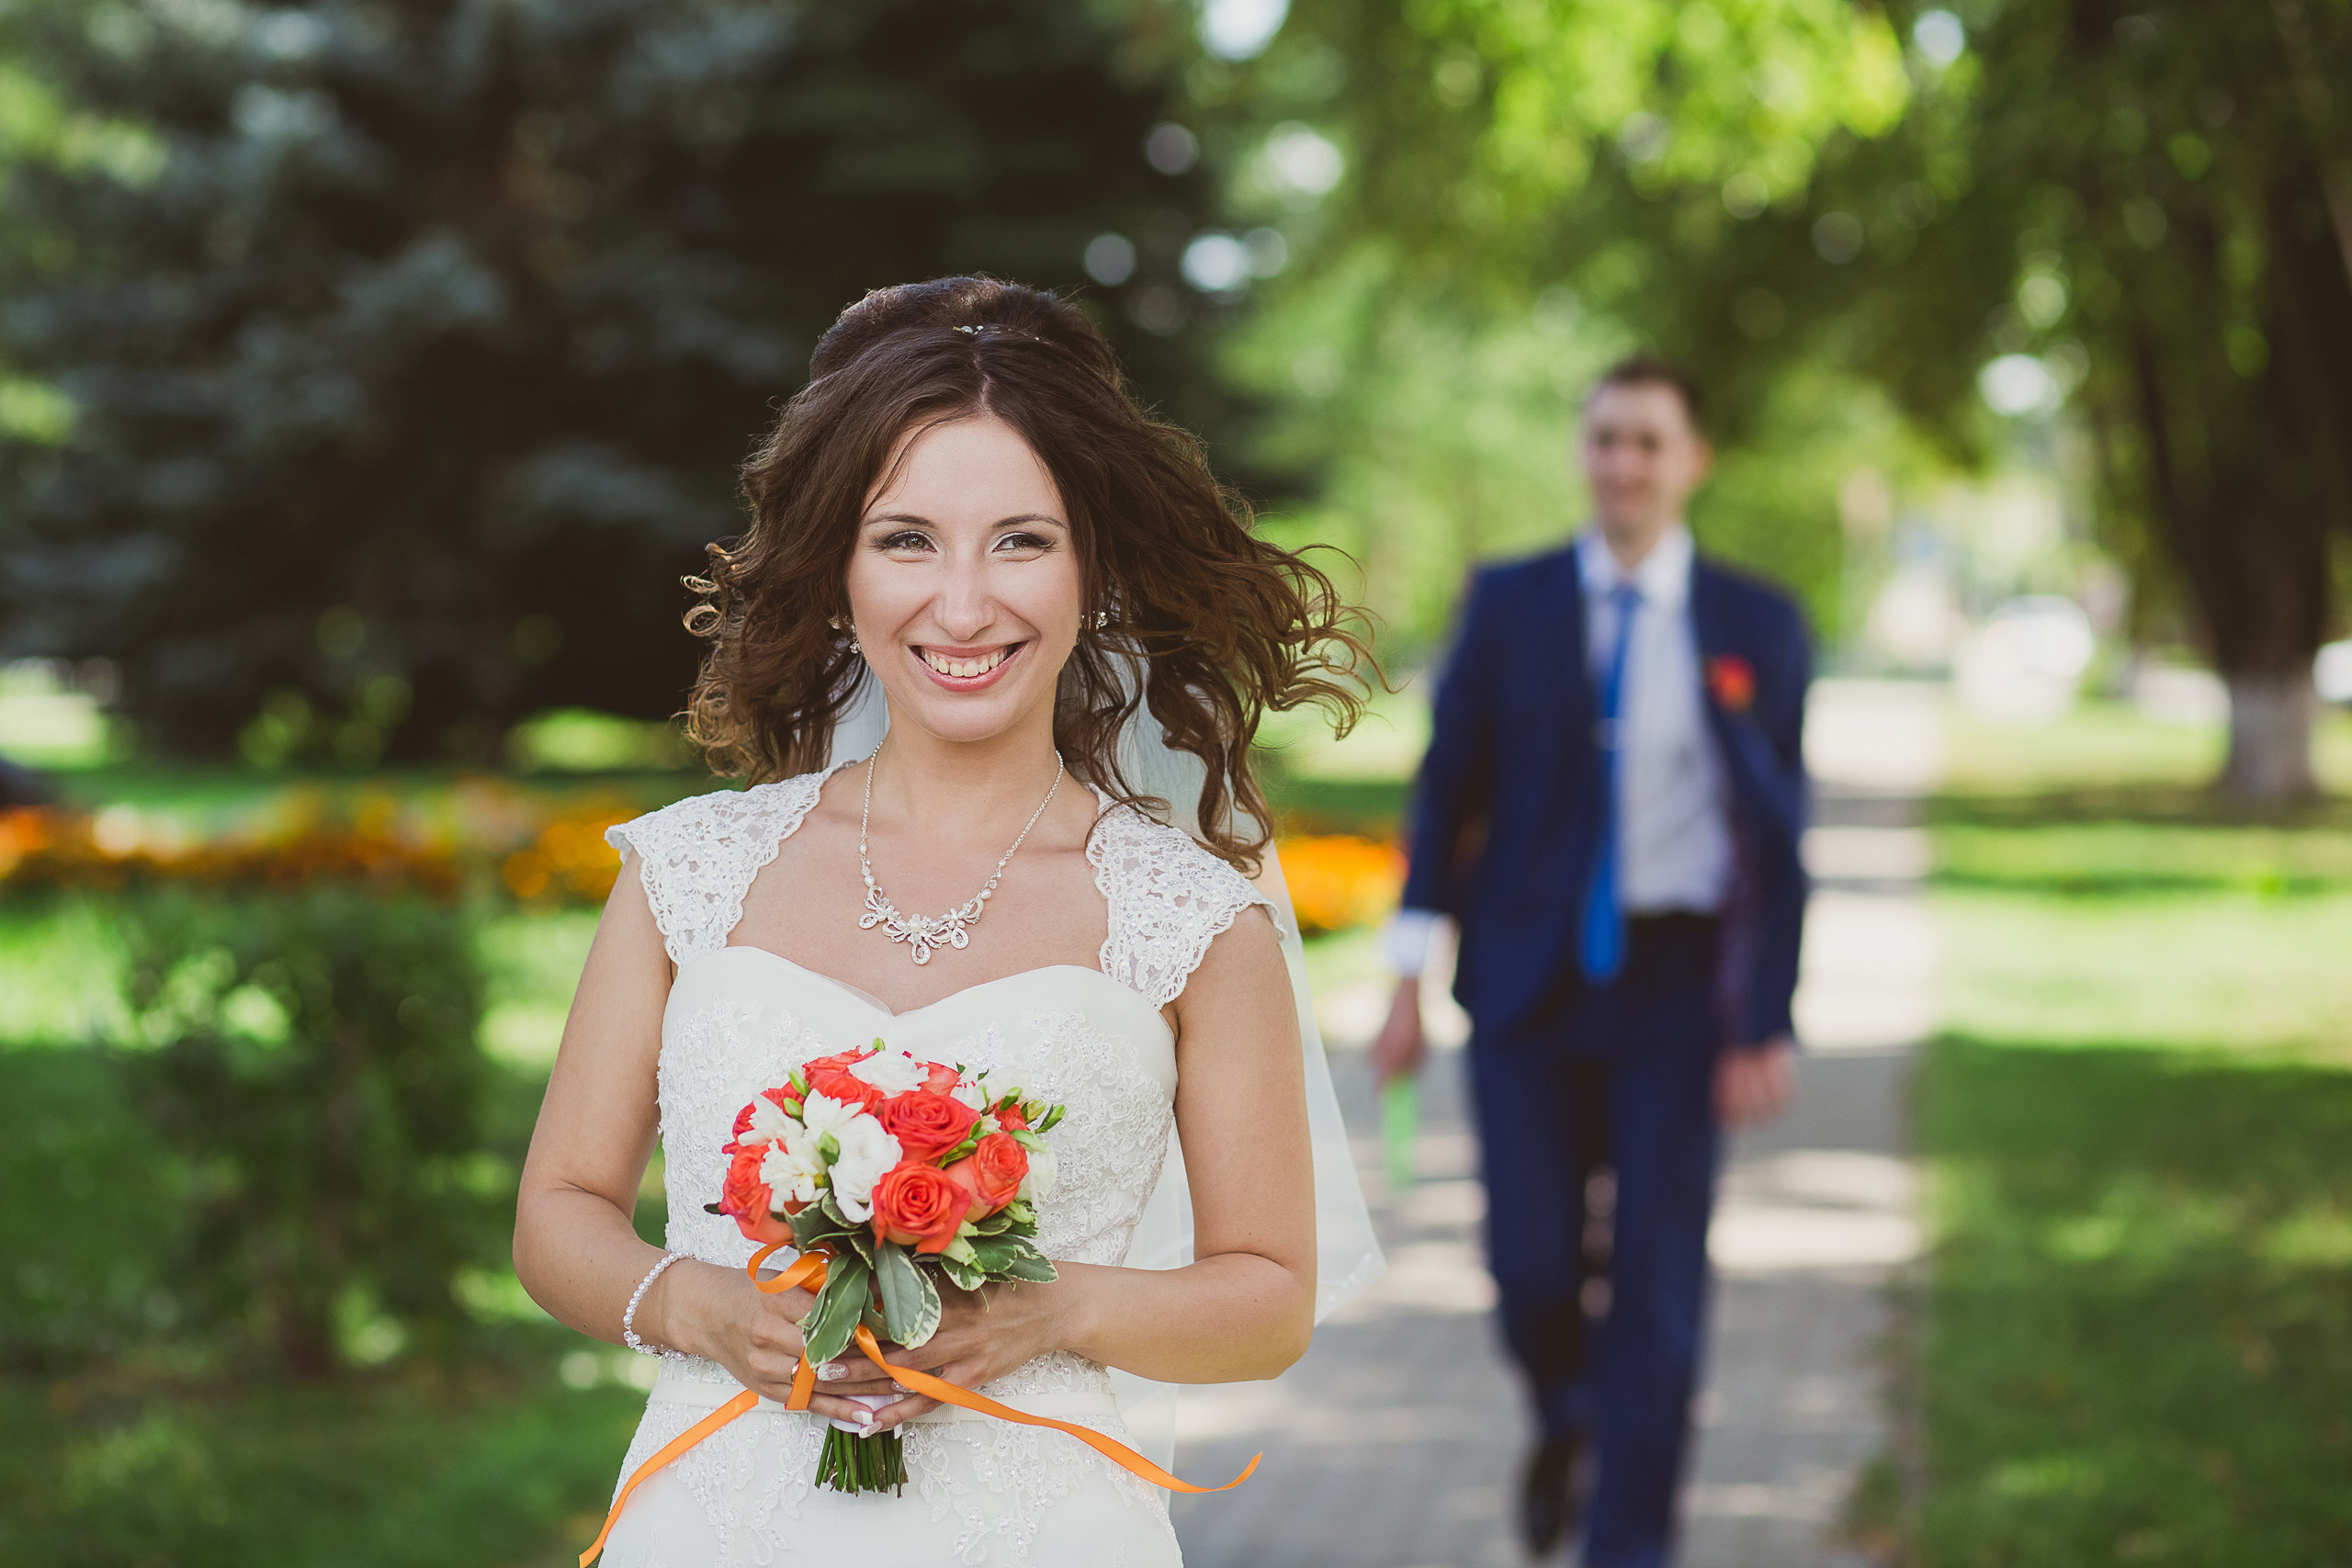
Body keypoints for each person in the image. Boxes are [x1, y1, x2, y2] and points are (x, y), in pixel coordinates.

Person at [514, 277, 1378, 1567]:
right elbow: (557, 1215)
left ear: (1094, 566)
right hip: (713, 1522)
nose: (964, 605)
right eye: (906, 540)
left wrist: (1046, 1309)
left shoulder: (1195, 920)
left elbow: (1269, 1305)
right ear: (837, 569)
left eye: (1021, 541)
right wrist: (697, 1305)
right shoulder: (691, 872)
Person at [1371, 356, 1811, 1568]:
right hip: (1525, 985)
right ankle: (1570, 1413)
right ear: (1584, 452)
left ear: (1692, 462)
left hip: (1680, 996)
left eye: (1650, 443)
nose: (1625, 464)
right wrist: (1404, 979)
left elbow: (1781, 840)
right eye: (1607, 439)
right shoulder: (1506, 604)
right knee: (1529, 1268)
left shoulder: (1758, 625)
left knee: (1662, 1287)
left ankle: (1630, 1541)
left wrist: (1764, 1018)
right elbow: (1444, 787)